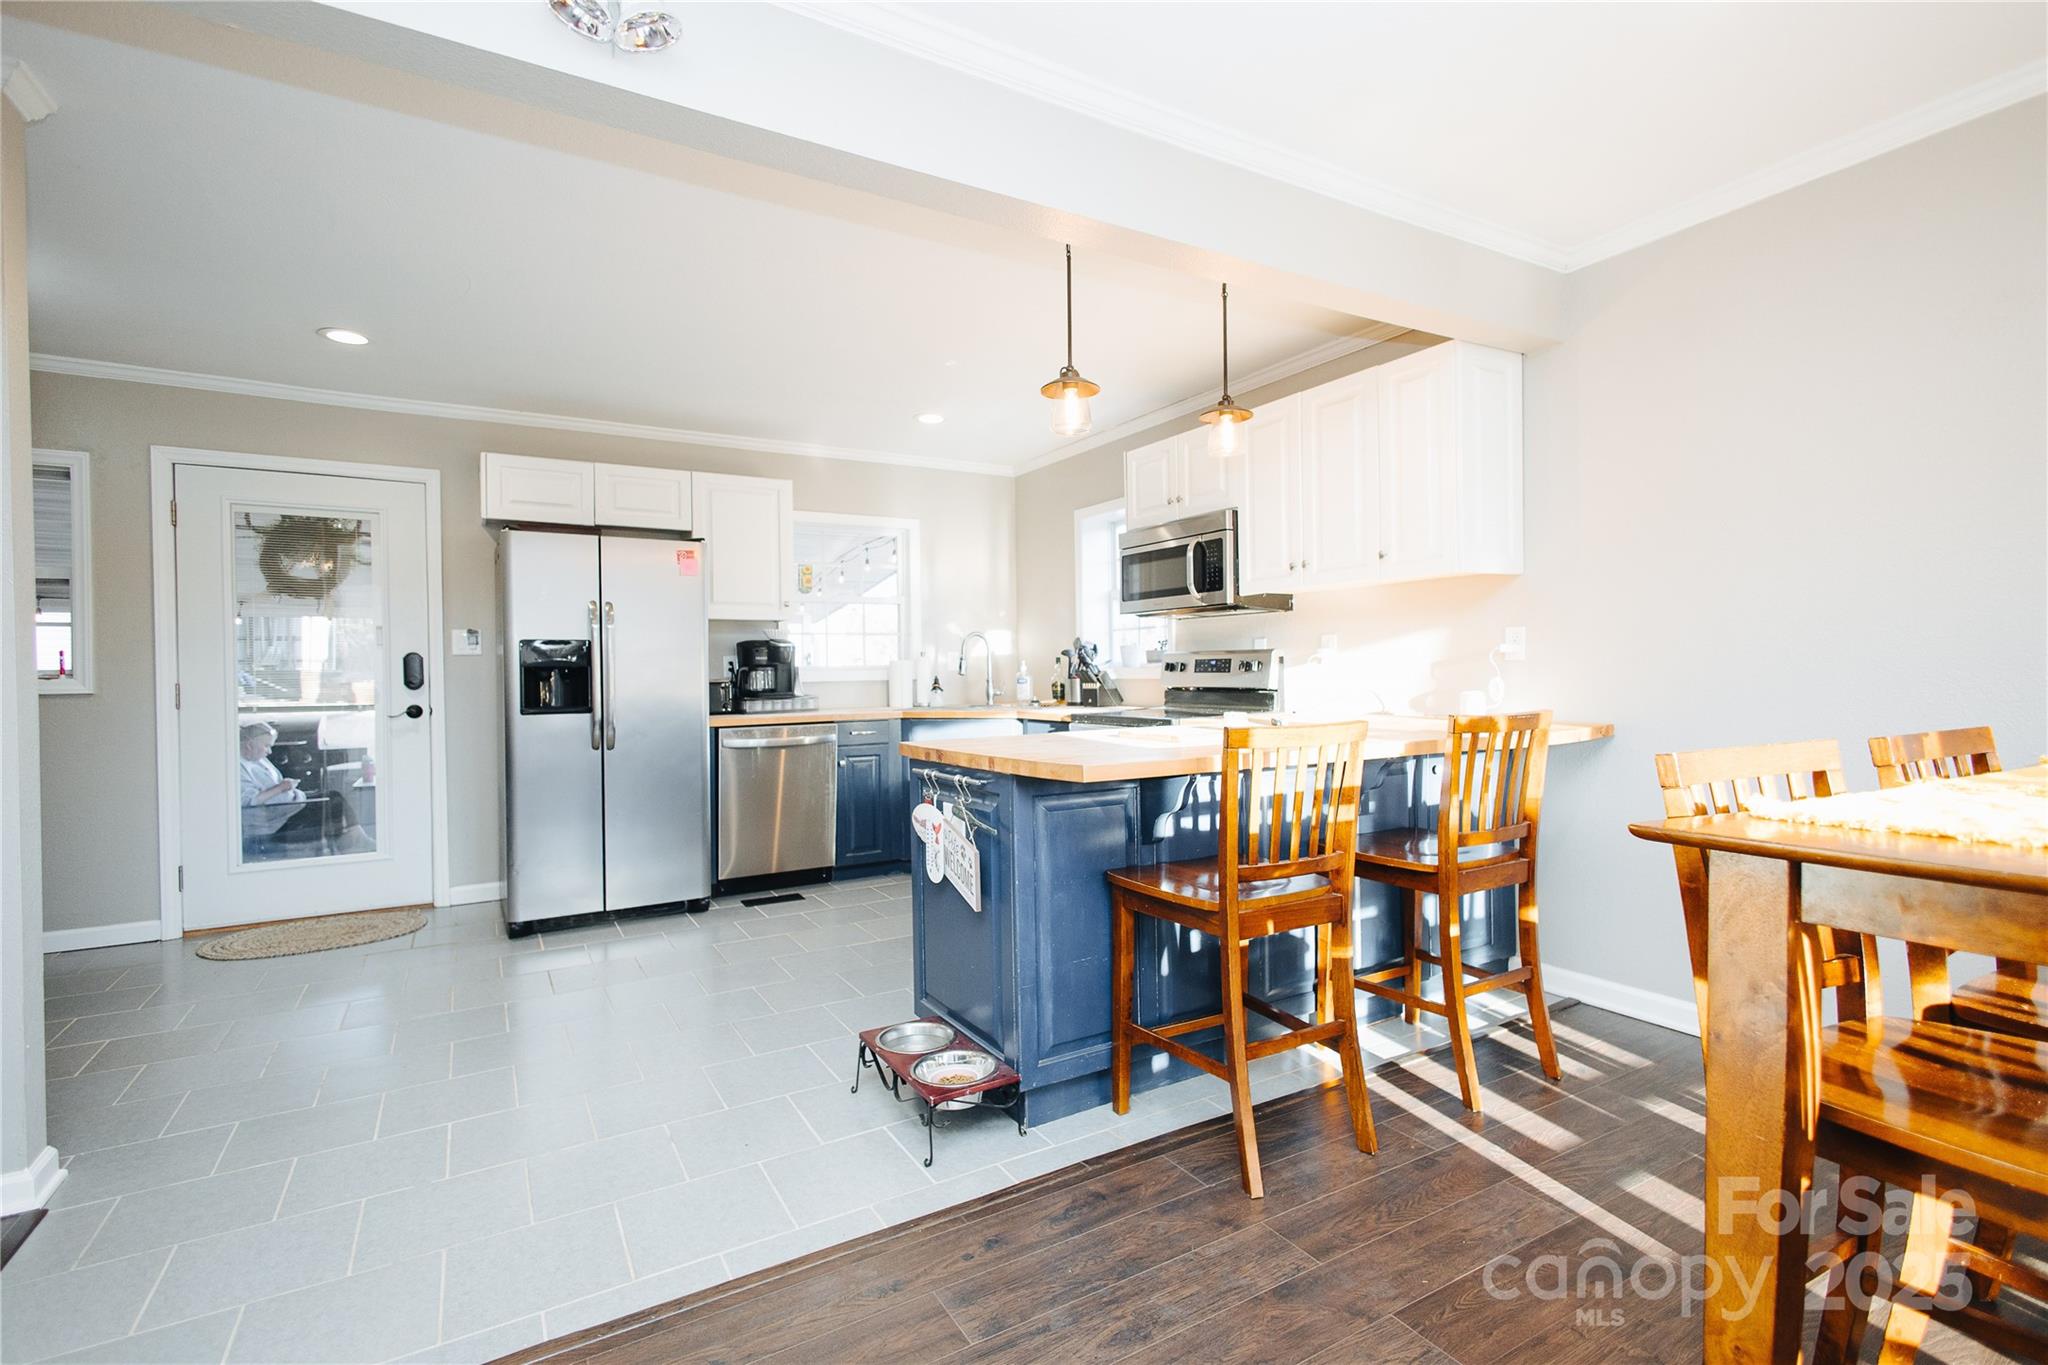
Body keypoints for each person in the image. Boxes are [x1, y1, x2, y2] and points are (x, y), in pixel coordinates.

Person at [239, 720, 364, 859]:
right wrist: (281, 788)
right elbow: (249, 802)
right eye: (266, 746)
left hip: (289, 806)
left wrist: (287, 787)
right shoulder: (239, 768)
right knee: (332, 803)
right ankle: (354, 844)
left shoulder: (258, 759)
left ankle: (350, 842)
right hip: (275, 821)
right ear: (250, 745)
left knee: (333, 797)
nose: (269, 751)